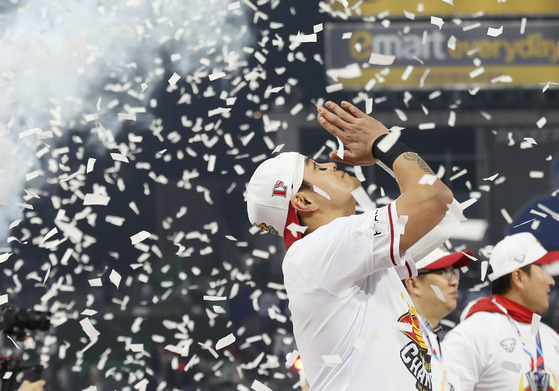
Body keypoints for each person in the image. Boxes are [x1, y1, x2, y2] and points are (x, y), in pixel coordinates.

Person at [247, 100, 458, 390]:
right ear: (304, 201)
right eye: (317, 168)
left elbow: (445, 213)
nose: (331, 163)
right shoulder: (319, 249)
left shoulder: (338, 252)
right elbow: (434, 199)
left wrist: (384, 153)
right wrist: (383, 144)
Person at [442, 232, 559, 391]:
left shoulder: (550, 337)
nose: (551, 281)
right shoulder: (474, 333)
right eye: (543, 269)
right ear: (518, 277)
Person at [404, 246, 474, 390]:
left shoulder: (433, 337)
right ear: (413, 284)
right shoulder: (401, 335)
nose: (454, 281)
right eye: (445, 273)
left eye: (454, 272)